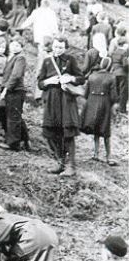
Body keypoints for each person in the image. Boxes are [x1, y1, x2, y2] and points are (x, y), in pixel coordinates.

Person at [37, 35, 84, 176]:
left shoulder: (71, 60)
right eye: (55, 46)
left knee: (68, 131)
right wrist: (48, 81)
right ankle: (60, 162)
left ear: (65, 48)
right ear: (52, 46)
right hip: (52, 100)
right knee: (50, 131)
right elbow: (40, 83)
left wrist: (70, 78)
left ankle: (71, 166)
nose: (57, 50)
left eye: (61, 48)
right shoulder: (46, 61)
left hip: (66, 100)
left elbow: (81, 78)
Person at [80, 56, 118, 164]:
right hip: (104, 103)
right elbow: (113, 96)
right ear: (110, 66)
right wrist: (114, 104)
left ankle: (96, 153)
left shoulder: (92, 76)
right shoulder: (111, 77)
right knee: (105, 130)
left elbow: (85, 94)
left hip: (92, 102)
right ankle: (108, 157)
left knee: (96, 128)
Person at [0, 37, 30, 151]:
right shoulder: (11, 57)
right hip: (12, 90)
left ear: (21, 48)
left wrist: (6, 89)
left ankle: (13, 143)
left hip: (15, 90)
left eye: (18, 45)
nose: (14, 47)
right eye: (13, 44)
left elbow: (16, 75)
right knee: (14, 115)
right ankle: (25, 140)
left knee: (13, 116)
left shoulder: (20, 57)